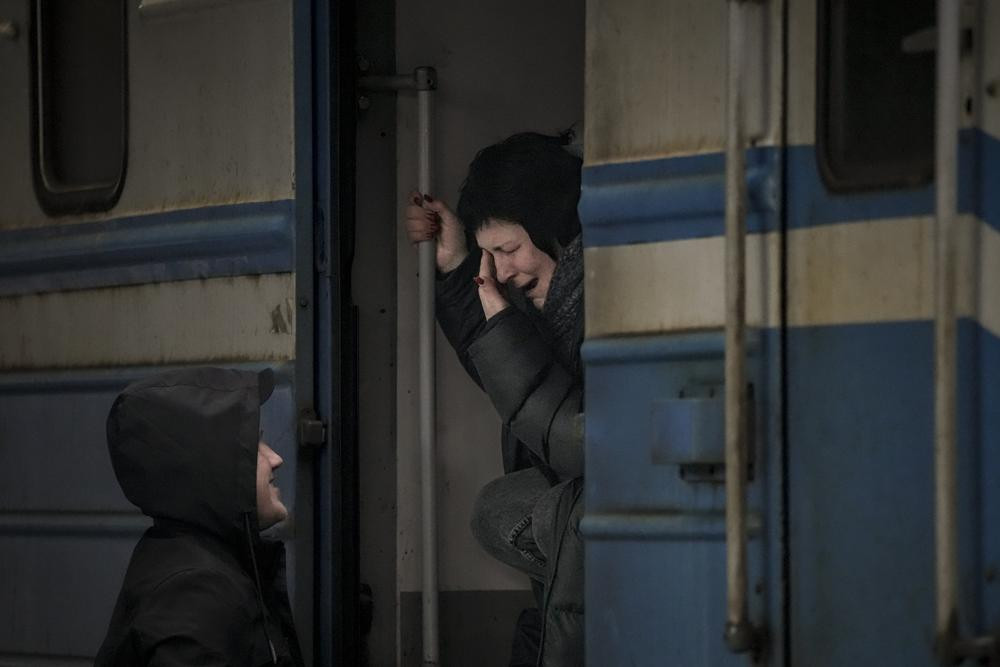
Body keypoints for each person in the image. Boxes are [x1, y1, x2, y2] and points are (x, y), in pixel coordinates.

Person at [404, 131, 585, 666]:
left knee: (502, 512)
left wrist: (502, 318)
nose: (501, 271)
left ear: (556, 224)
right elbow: (515, 385)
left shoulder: (608, 297)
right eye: (492, 256)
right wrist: (460, 266)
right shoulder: (558, 299)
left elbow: (566, 432)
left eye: (508, 250)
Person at [95, 367, 303, 666]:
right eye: (254, 447)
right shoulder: (196, 593)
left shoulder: (193, 563)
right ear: (210, 468)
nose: (275, 458)